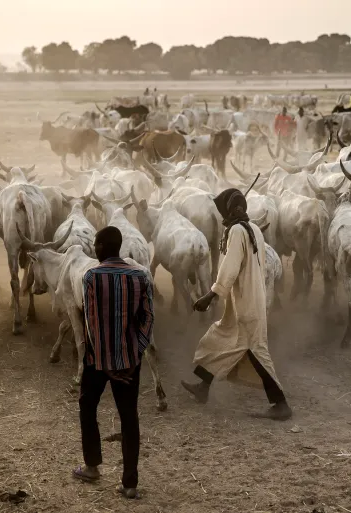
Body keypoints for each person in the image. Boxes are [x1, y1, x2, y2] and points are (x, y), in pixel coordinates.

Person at [182, 189, 293, 421]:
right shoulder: (253, 229)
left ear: (230, 211)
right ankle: (203, 387)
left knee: (257, 352)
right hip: (251, 299)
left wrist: (210, 295)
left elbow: (230, 268)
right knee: (219, 338)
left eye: (223, 210)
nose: (221, 215)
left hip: (245, 304)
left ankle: (281, 404)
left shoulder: (235, 231)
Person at [73, 226, 155, 499]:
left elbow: (91, 321)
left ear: (98, 247)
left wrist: (106, 362)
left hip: (98, 360)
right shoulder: (141, 276)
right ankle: (130, 483)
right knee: (129, 416)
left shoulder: (92, 277)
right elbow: (148, 320)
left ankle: (92, 466)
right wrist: (135, 354)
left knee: (87, 405)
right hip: (130, 361)